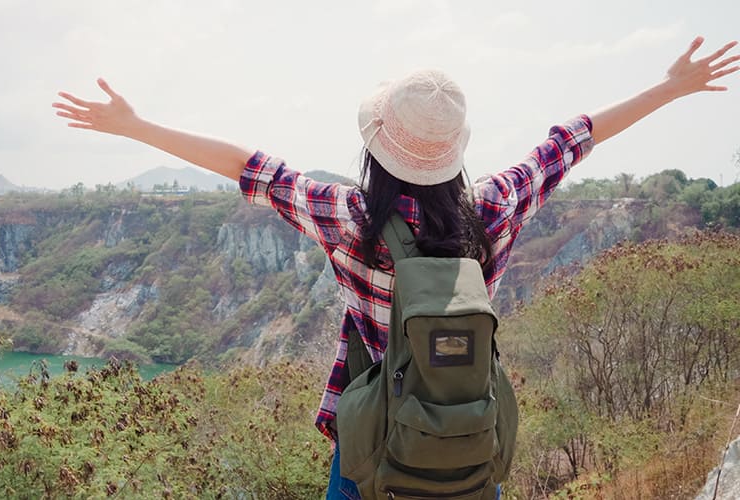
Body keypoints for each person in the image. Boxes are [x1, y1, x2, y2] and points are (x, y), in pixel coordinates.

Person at [53, 36, 738, 499]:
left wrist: (135, 127)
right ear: (454, 151)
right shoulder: (494, 210)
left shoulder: (347, 217)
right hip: (470, 445)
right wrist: (671, 88)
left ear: (376, 144)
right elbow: (569, 141)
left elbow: (249, 167)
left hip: (372, 451)